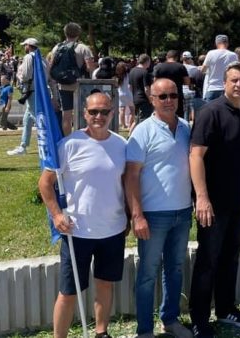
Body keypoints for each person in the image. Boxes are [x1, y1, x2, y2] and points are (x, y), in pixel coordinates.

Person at [38, 93, 128, 338]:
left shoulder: (121, 144)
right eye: (93, 112)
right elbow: (45, 184)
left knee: (105, 284)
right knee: (68, 292)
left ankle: (101, 332)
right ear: (84, 113)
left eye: (104, 112)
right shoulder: (69, 145)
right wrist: (56, 216)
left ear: (112, 113)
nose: (99, 116)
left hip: (113, 229)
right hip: (77, 231)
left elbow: (125, 183)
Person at [189, 62, 240, 338]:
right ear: (225, 83)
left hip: (238, 200)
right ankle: (199, 319)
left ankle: (226, 308)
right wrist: (202, 198)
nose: (238, 85)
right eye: (233, 80)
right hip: (213, 204)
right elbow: (195, 156)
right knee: (208, 260)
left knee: (231, 258)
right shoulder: (211, 112)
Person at [125, 78, 193, 338]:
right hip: (153, 215)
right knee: (147, 274)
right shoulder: (143, 131)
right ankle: (144, 330)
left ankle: (170, 319)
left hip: (182, 212)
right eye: (162, 96)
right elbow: (131, 176)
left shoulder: (186, 127)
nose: (168, 100)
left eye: (173, 95)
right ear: (151, 99)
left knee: (175, 269)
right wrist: (137, 214)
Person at [49, 22, 95, 137]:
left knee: (66, 116)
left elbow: (51, 65)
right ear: (78, 34)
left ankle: (68, 140)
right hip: (80, 85)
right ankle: (83, 138)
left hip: (63, 85)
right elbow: (90, 68)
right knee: (83, 114)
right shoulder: (83, 48)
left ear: (65, 33)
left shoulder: (57, 47)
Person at [7, 38, 46, 155]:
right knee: (27, 120)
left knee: (37, 119)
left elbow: (26, 75)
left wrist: (19, 76)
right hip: (37, 90)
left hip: (31, 90)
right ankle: (23, 146)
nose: (24, 47)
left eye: (25, 45)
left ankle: (44, 144)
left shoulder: (29, 57)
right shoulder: (41, 58)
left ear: (29, 46)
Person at [200, 34, 238, 102]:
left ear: (216, 43)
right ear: (227, 43)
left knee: (210, 111)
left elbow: (203, 70)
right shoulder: (233, 55)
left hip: (212, 88)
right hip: (227, 88)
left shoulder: (211, 53)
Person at [153, 50, 190, 118]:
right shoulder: (181, 67)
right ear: (177, 57)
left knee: (163, 114)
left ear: (167, 57)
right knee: (178, 116)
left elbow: (154, 82)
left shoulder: (159, 67)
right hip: (176, 95)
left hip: (162, 96)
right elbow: (187, 82)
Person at [129, 54, 153, 130]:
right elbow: (146, 89)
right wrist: (150, 99)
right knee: (144, 121)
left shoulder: (132, 70)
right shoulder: (144, 72)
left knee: (137, 120)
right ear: (147, 61)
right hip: (144, 99)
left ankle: (130, 136)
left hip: (135, 99)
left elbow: (129, 87)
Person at [115, 61, 134, 131]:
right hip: (129, 93)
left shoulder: (118, 76)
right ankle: (130, 124)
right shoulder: (129, 75)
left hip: (120, 93)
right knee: (132, 110)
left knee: (122, 110)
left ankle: (123, 125)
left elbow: (116, 85)